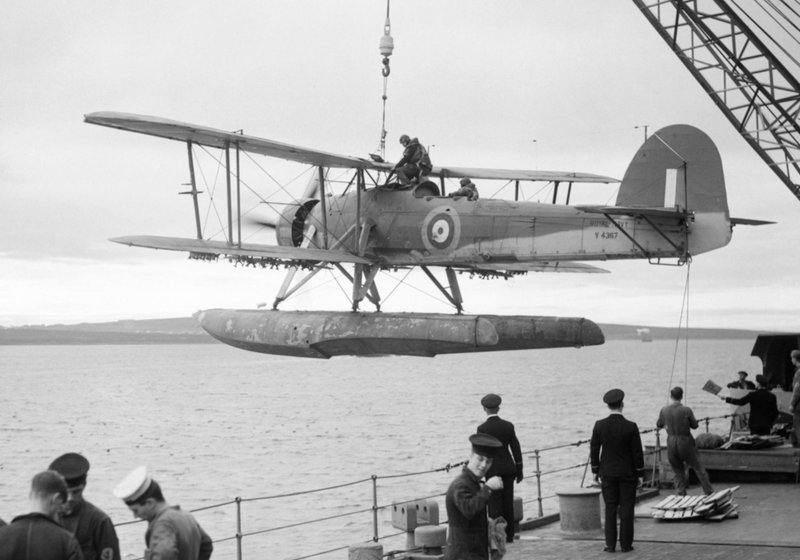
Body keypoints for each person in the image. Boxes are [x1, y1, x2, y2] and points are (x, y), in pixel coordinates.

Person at [113, 466, 213, 560]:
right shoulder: (185, 515)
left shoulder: (163, 525)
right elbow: (206, 545)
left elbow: (165, 555)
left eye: (136, 510)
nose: (135, 516)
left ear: (150, 503)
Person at [590, 388, 644, 554]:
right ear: (622, 405)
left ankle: (610, 545)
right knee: (627, 508)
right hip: (628, 474)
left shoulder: (599, 425)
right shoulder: (631, 426)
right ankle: (626, 544)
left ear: (608, 407)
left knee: (610, 509)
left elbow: (594, 449)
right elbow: (637, 452)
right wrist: (640, 473)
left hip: (607, 473)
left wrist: (595, 471)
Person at [49, 452, 120, 560]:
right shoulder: (46, 519)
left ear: (84, 486)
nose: (70, 498)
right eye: (65, 493)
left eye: (75, 492)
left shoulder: (99, 521)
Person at [444, 433, 504, 560]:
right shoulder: (460, 485)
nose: (483, 465)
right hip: (462, 555)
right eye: (480, 459)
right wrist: (488, 488)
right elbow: (469, 510)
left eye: (488, 461)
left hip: (473, 553)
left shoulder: (473, 483)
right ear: (471, 455)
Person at [0, 470, 83, 560]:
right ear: (56, 499)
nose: (60, 513)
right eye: (60, 506)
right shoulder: (67, 542)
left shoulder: (3, 535)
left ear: (30, 495)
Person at [476, 393, 522, 544]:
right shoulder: (508, 426)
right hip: (509, 469)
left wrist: (477, 473)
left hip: (493, 471)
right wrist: (519, 468)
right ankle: (509, 535)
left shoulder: (482, 428)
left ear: (484, 409)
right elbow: (516, 448)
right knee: (508, 502)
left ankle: (497, 537)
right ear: (499, 407)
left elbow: (480, 453)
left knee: (495, 505)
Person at [657, 386, 714, 496]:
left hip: (671, 441)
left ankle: (681, 494)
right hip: (685, 441)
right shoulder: (686, 410)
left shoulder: (664, 410)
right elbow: (695, 425)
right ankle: (709, 492)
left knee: (677, 471)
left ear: (671, 396)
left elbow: (659, 424)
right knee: (698, 468)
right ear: (682, 396)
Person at [790, 350, 800, 447]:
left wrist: (792, 404)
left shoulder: (798, 372)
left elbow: (797, 389)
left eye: (792, 358)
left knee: (797, 426)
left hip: (799, 405)